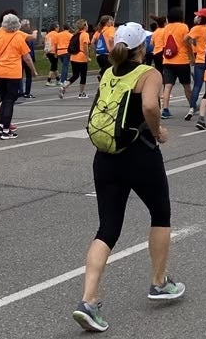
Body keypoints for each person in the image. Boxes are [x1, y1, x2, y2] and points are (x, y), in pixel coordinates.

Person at [73, 22, 182, 333]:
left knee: (107, 227)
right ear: (142, 47)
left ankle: (88, 300)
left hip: (105, 157)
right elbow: (149, 104)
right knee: (160, 214)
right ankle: (159, 283)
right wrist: (157, 129)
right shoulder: (149, 73)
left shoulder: (108, 72)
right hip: (139, 154)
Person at [0, 14, 37, 139]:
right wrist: (33, 71)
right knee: (9, 101)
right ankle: (5, 129)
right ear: (17, 25)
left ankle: (2, 125)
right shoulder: (19, 37)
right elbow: (27, 58)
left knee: (4, 98)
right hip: (13, 73)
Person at [159, 8, 192, 119]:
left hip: (167, 60)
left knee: (167, 86)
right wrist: (191, 56)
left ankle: (165, 109)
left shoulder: (166, 28)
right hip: (182, 60)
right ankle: (192, 106)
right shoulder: (184, 27)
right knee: (186, 85)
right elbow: (187, 42)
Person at [58, 19, 90, 100]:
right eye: (86, 24)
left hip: (73, 57)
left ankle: (64, 86)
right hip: (81, 57)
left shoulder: (75, 35)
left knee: (75, 75)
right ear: (84, 26)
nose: (88, 26)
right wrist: (87, 56)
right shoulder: (85, 34)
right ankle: (81, 93)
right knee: (83, 75)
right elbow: (85, 45)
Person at [92, 15, 115, 80]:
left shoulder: (99, 30)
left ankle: (101, 75)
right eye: (111, 20)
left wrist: (95, 51)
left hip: (99, 55)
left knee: (104, 69)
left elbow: (92, 42)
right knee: (110, 71)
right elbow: (111, 39)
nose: (112, 21)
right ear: (107, 21)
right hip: (107, 54)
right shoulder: (111, 28)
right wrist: (112, 50)